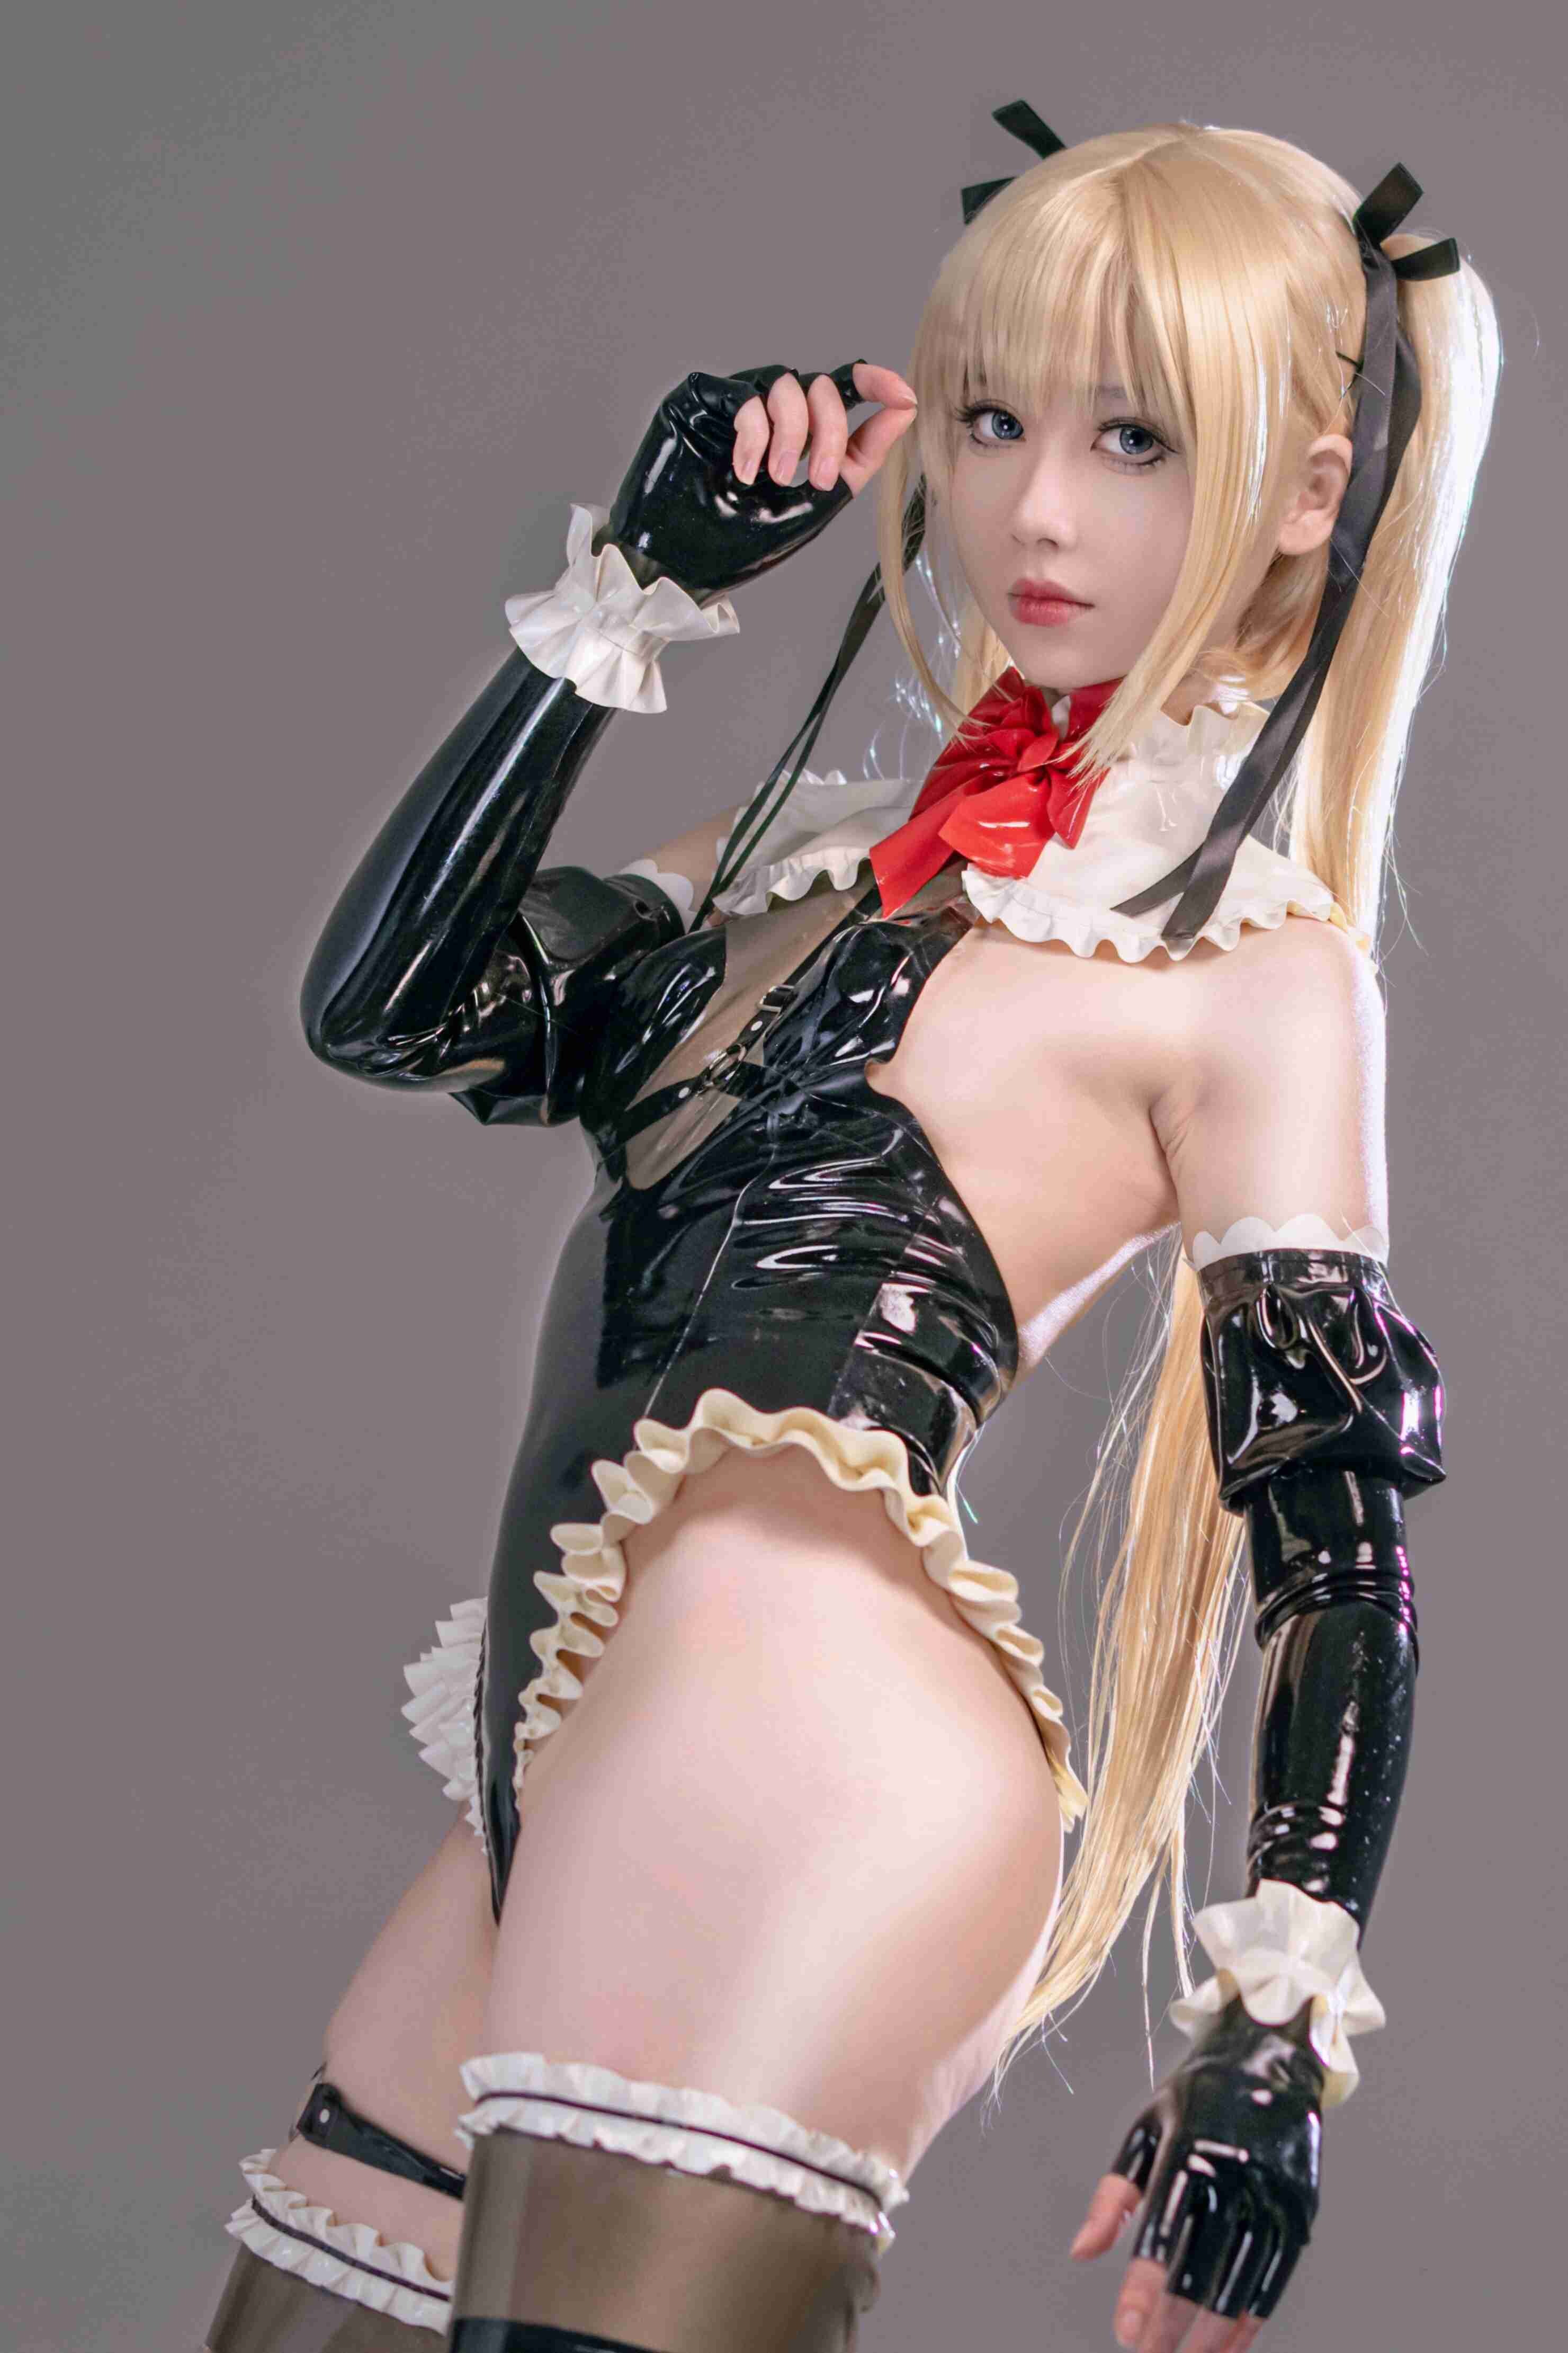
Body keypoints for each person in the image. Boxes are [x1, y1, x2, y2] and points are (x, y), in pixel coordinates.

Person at [204, 113, 1498, 2353]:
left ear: (1308, 494)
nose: (1037, 509)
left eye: (1134, 439)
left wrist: (1274, 2030)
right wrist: (635, 582)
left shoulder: (1253, 969)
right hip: (580, 1734)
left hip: (812, 1762)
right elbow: (391, 1005)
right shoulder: (804, 852)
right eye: (992, 421)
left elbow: (1337, 1542)